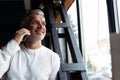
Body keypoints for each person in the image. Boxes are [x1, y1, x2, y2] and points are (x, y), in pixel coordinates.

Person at [0, 9, 60, 80]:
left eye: (43, 24)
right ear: (24, 27)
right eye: (35, 22)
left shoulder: (53, 57)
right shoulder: (10, 52)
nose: (41, 26)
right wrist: (14, 42)